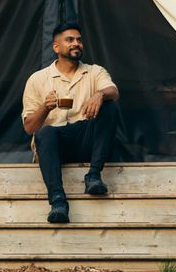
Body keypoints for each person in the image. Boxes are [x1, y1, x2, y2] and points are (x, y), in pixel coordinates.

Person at [21, 22, 121, 223]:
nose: (77, 43)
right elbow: (29, 128)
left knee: (110, 106)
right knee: (45, 133)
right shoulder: (37, 79)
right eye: (70, 40)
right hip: (55, 147)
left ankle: (93, 176)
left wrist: (100, 94)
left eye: (79, 40)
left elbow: (114, 92)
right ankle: (58, 201)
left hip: (86, 142)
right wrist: (45, 108)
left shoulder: (94, 72)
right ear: (56, 47)